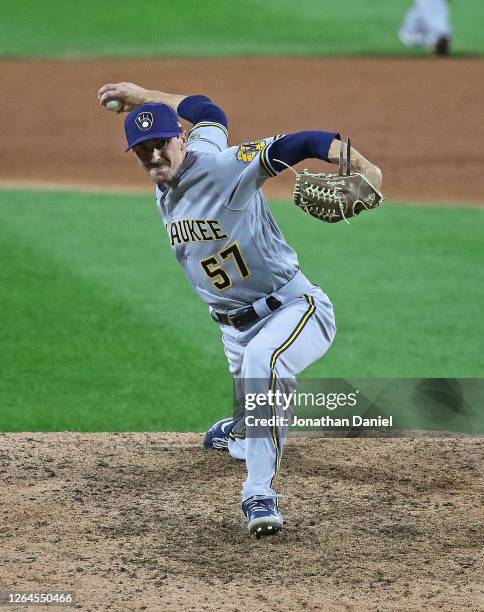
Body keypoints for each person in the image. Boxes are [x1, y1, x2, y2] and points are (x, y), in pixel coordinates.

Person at [98, 82, 383, 538]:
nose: (153, 156)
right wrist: (139, 92)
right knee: (253, 399)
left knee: (264, 362)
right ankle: (242, 426)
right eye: (141, 150)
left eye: (160, 145)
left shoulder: (224, 166)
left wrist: (366, 170)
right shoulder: (187, 154)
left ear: (181, 140)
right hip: (233, 328)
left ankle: (259, 492)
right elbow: (208, 110)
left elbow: (305, 142)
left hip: (294, 309)